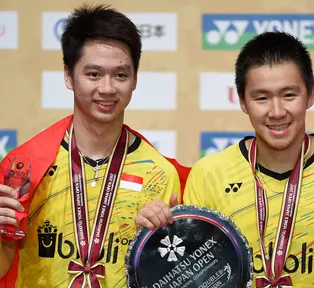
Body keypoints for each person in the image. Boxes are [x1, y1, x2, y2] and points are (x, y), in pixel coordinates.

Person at [135, 31, 314, 287]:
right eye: (261, 98)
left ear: (310, 95)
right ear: (243, 101)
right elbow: (188, 274)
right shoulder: (210, 174)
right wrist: (153, 236)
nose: (276, 112)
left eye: (289, 95)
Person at [0, 4, 190, 287]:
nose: (107, 88)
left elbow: (170, 276)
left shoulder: (159, 174)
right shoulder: (25, 168)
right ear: (68, 75)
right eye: (93, 74)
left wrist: (153, 245)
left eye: (121, 75)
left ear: (135, 79)